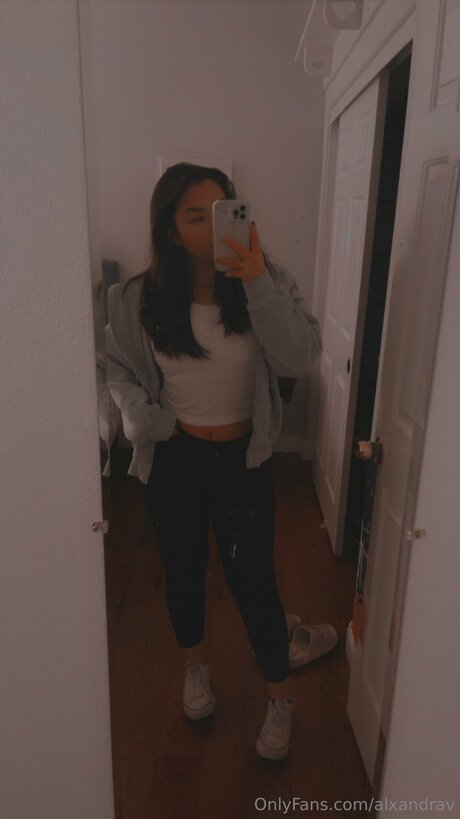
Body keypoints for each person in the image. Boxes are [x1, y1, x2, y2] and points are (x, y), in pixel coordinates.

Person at [105, 162, 322, 761]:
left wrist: (256, 280)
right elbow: (117, 367)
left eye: (223, 211)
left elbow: (298, 358)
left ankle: (279, 697)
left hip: (242, 458)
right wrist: (139, 417)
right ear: (170, 229)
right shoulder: (135, 298)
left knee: (253, 581)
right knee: (182, 570)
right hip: (174, 457)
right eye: (195, 216)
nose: (211, 227)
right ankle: (195, 669)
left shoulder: (270, 280)